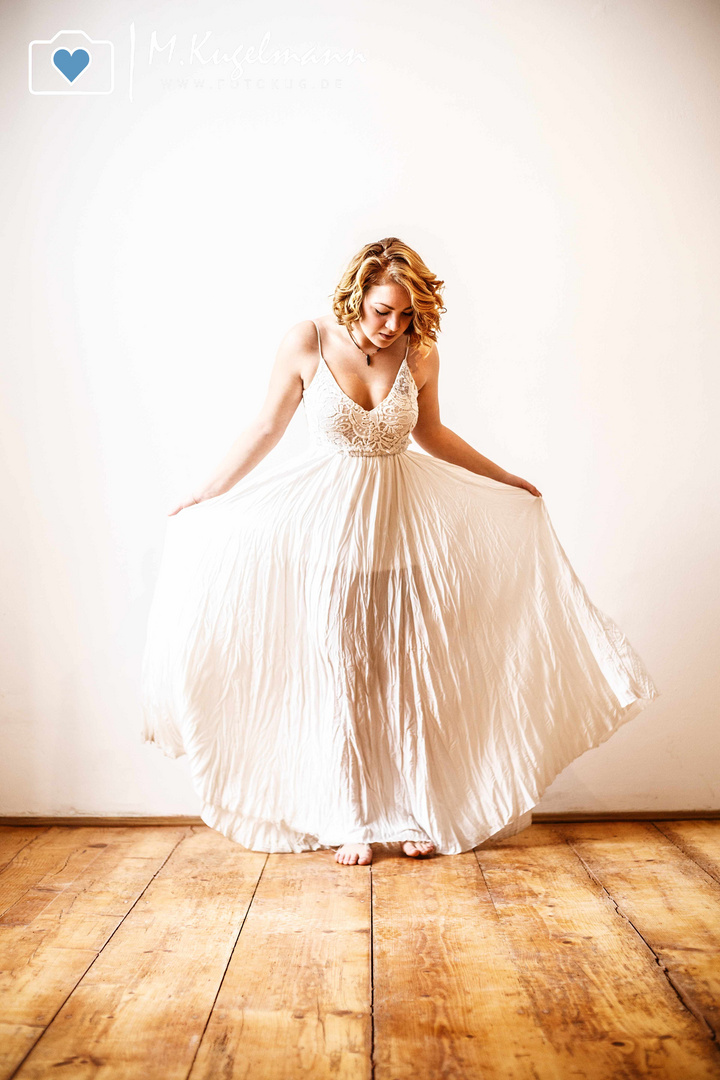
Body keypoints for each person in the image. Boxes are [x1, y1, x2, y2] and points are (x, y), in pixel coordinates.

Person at [141, 236, 659, 867]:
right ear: (357, 294)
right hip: (328, 541)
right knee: (343, 677)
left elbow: (433, 434)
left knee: (409, 673)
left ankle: (414, 808)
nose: (394, 326)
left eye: (407, 314)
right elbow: (265, 427)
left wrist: (508, 481)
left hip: (403, 538)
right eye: (384, 310)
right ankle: (350, 816)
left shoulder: (420, 354)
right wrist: (202, 493)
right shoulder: (308, 341)